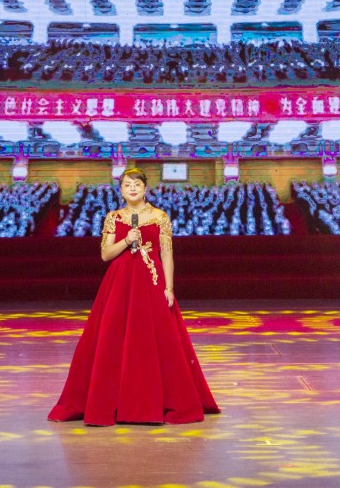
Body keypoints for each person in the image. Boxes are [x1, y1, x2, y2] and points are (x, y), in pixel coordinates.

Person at [48, 168, 220, 426]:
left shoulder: (160, 217)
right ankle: (114, 401)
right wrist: (127, 240)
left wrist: (169, 287)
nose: (132, 189)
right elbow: (105, 254)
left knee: (155, 340)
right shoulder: (113, 217)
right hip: (120, 285)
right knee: (112, 339)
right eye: (127, 185)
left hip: (151, 283)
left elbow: (166, 254)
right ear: (121, 190)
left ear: (145, 189)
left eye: (137, 184)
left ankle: (155, 401)